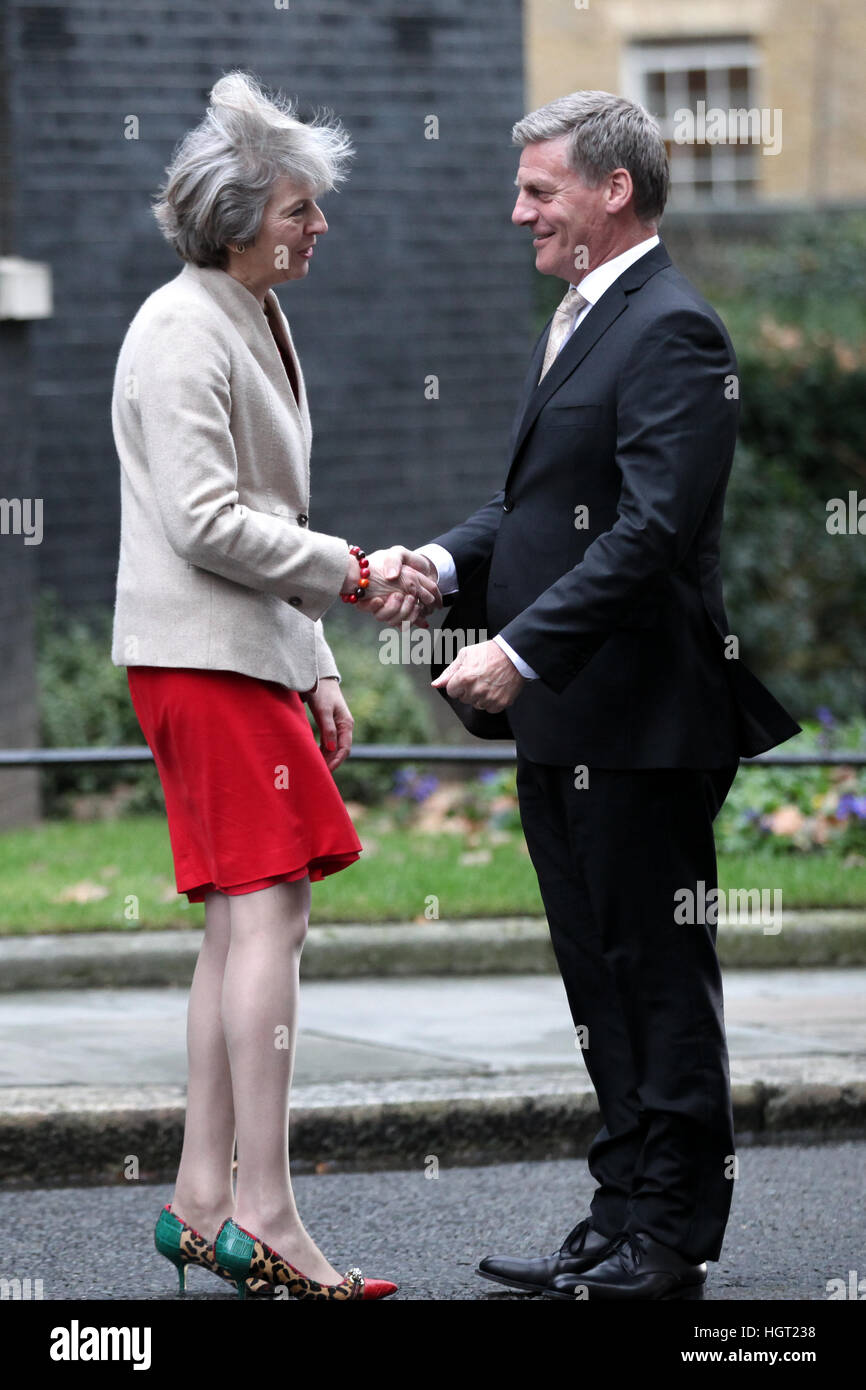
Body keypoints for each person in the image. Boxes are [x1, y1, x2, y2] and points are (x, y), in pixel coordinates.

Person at [368, 91, 801, 1301]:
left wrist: (521, 650)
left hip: (643, 718)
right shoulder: (583, 316)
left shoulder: (672, 329)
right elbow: (541, 505)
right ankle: (615, 1219)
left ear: (614, 191)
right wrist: (442, 563)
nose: (517, 213)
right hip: (571, 720)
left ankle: (670, 1240)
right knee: (595, 978)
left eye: (538, 190)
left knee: (656, 981)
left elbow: (652, 529)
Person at [111, 71, 439, 1301]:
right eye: (300, 208)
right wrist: (356, 573)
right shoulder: (185, 327)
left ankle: (202, 1201)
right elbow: (206, 523)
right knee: (273, 918)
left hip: (230, 656)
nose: (317, 228)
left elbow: (262, 515)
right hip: (201, 660)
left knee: (237, 922)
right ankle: (266, 1212)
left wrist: (314, 662)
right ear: (236, 216)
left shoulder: (240, 310)